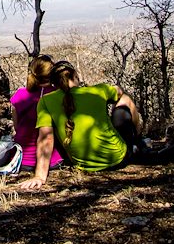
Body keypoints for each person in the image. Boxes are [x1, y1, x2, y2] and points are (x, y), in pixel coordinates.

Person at [19, 60, 143, 191]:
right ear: (75, 76)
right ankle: (138, 140)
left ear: (54, 83)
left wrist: (39, 176)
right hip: (118, 158)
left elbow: (46, 138)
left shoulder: (45, 101)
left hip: (82, 164)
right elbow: (119, 92)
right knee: (125, 99)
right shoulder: (98, 90)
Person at [9, 54, 64, 171]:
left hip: (21, 159)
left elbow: (16, 126)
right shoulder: (57, 95)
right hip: (52, 160)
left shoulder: (20, 94)